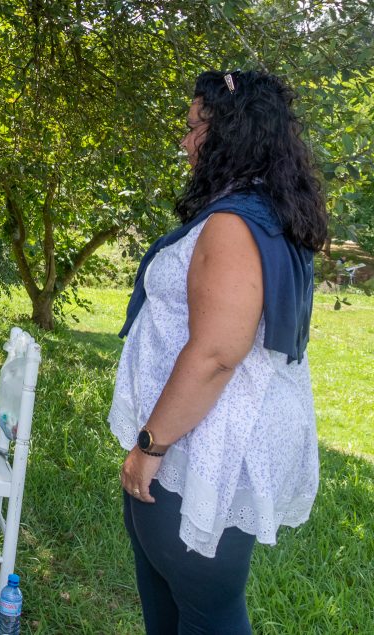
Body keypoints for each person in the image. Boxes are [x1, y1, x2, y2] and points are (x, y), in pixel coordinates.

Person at [109, 70, 327, 633]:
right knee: (175, 596)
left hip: (205, 443)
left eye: (192, 128)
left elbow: (216, 354)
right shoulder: (254, 212)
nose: (184, 142)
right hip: (202, 433)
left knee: (207, 607)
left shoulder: (235, 223)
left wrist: (150, 444)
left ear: (227, 132)